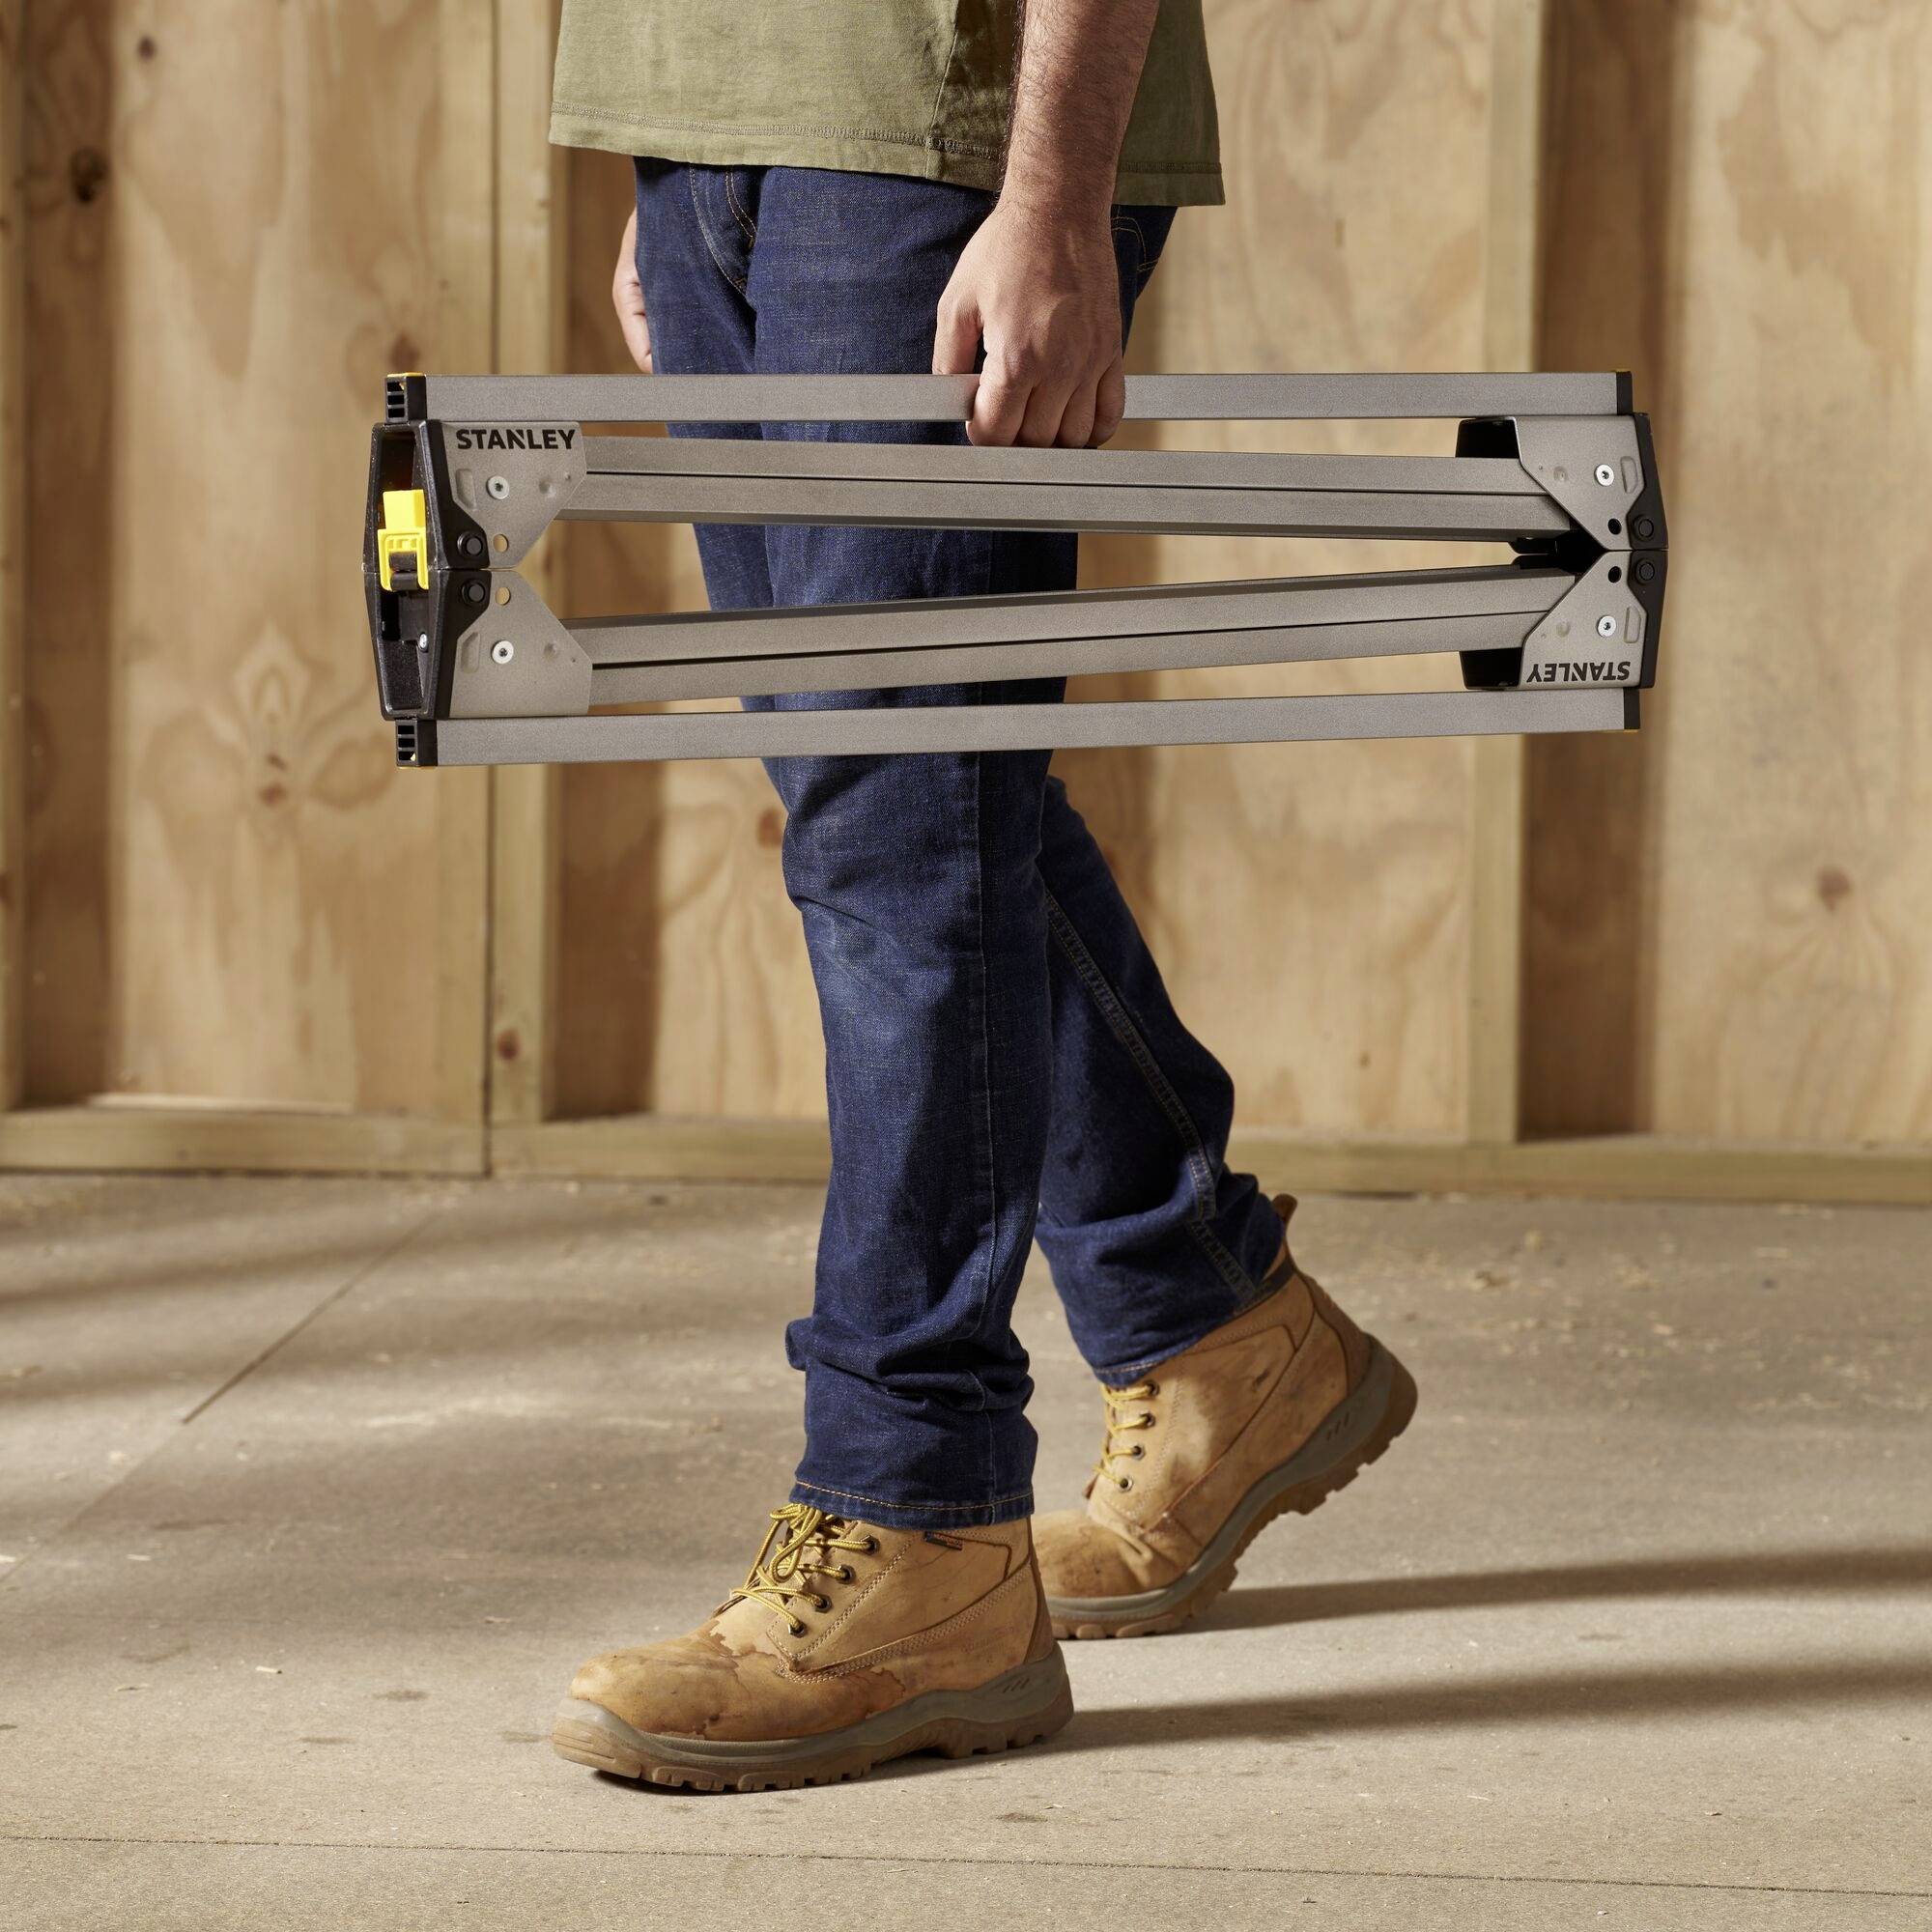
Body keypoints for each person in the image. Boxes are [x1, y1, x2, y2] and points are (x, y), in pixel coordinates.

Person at [545, 0, 1416, 1793]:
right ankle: (1212, 1322)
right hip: (726, 117)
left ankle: (918, 1519)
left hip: (943, 138)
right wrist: (689, 148)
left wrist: (1056, 190)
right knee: (895, 794)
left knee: (902, 816)